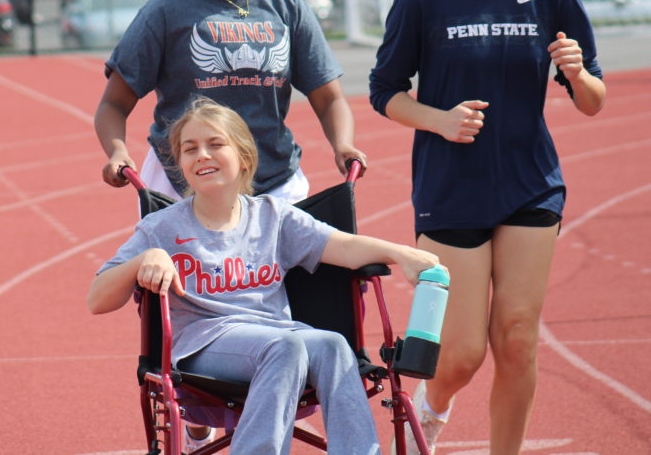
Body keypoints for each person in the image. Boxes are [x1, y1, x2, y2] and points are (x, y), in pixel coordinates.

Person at [368, 0, 606, 455]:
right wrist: (439, 120)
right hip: (452, 189)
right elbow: (384, 92)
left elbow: (594, 102)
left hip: (531, 186)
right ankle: (436, 402)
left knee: (519, 337)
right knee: (464, 353)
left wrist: (578, 75)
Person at [88, 97, 440, 454]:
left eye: (215, 144)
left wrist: (401, 253)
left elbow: (345, 247)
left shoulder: (273, 216)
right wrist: (146, 258)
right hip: (204, 343)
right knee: (284, 347)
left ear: (243, 156)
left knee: (334, 344)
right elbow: (98, 299)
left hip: (278, 337)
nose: (202, 155)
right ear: (179, 163)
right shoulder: (161, 227)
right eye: (189, 149)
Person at [95, 0, 366, 204]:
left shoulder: (286, 6)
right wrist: (118, 151)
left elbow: (329, 98)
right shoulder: (165, 12)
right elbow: (113, 103)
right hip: (184, 186)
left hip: (274, 184)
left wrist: (342, 144)